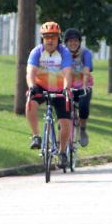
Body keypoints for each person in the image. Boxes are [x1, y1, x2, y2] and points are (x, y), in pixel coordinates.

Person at [26, 21, 73, 168]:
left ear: (58, 38)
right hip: (41, 86)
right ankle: (36, 136)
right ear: (42, 38)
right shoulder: (36, 52)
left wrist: (66, 88)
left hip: (59, 88)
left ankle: (63, 152)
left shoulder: (64, 52)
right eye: (47, 37)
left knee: (65, 122)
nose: (50, 40)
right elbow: (30, 72)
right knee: (29, 103)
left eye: (53, 37)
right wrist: (32, 86)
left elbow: (67, 73)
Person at [63, 28, 94, 147]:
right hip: (68, 85)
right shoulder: (62, 54)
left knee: (83, 106)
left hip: (83, 85)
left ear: (79, 42)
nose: (73, 43)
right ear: (66, 42)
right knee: (61, 106)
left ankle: (82, 129)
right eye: (70, 41)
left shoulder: (86, 53)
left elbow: (86, 71)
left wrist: (85, 86)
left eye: (75, 41)